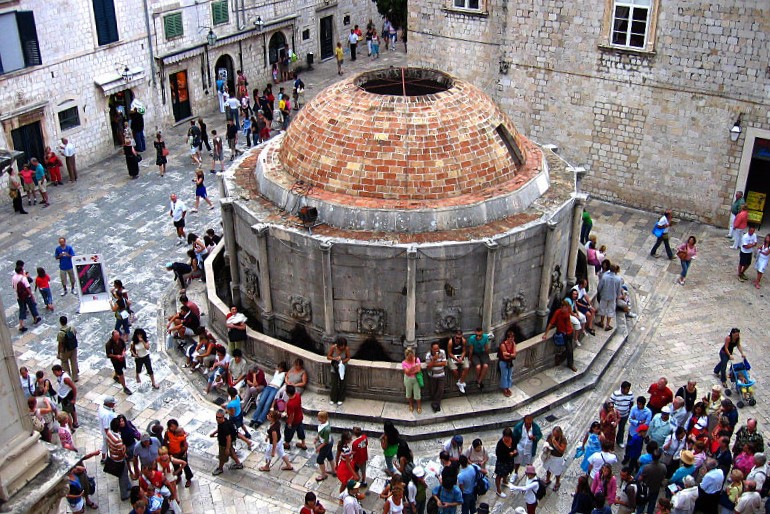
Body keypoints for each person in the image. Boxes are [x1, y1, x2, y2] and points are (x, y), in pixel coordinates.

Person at [542, 300, 577, 371]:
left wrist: (575, 315)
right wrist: (546, 334)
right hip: (563, 333)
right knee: (569, 349)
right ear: (562, 307)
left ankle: (562, 358)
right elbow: (551, 323)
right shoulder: (558, 312)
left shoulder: (568, 310)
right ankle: (569, 363)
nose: (566, 309)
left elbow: (571, 314)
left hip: (569, 332)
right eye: (565, 308)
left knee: (570, 348)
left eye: (567, 308)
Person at [210, 408, 243, 475]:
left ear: (223, 417)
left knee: (222, 457)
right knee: (232, 453)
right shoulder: (223, 422)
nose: (217, 419)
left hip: (224, 444)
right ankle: (238, 464)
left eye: (219, 417)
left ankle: (220, 468)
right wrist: (214, 433)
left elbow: (228, 438)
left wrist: (227, 449)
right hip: (227, 443)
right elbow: (219, 429)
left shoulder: (225, 426)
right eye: (216, 417)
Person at [164, 419, 194, 488]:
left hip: (181, 453)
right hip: (172, 453)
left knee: (185, 466)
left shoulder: (180, 432)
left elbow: (184, 443)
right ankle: (179, 476)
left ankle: (188, 479)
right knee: (175, 466)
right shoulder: (167, 433)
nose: (172, 428)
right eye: (171, 427)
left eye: (174, 426)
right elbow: (166, 441)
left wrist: (182, 451)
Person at [13, 263, 41, 332]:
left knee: (22, 310)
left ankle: (21, 325)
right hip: (26, 296)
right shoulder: (23, 278)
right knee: (32, 306)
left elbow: (13, 286)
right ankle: (35, 318)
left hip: (19, 296)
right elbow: (28, 288)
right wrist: (32, 295)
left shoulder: (13, 277)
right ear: (21, 271)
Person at [106, 329, 133, 395]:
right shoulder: (109, 344)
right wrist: (116, 356)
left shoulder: (120, 340)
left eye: (118, 336)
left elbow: (124, 347)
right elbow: (108, 354)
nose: (118, 337)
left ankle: (115, 376)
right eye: (116, 336)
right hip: (115, 360)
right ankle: (124, 387)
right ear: (113, 336)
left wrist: (123, 352)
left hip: (121, 358)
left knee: (120, 369)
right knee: (121, 373)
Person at [328, 336, 351, 405]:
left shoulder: (346, 349)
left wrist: (342, 361)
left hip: (342, 367)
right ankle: (333, 398)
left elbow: (348, 358)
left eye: (344, 346)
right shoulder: (333, 348)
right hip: (334, 367)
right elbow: (328, 357)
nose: (342, 348)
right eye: (341, 346)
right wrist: (335, 358)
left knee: (342, 383)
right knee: (334, 383)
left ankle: (341, 398)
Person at [425, 341, 447, 412]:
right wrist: (434, 359)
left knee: (440, 389)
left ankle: (435, 404)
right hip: (432, 375)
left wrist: (434, 364)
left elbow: (444, 363)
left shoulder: (442, 352)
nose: (436, 350)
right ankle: (436, 404)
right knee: (433, 390)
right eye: (435, 349)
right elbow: (428, 367)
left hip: (441, 374)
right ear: (431, 349)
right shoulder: (428, 355)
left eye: (437, 348)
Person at [314, 411, 336, 481]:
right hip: (328, 442)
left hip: (326, 444)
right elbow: (320, 433)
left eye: (319, 417)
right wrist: (316, 437)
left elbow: (326, 441)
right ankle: (333, 470)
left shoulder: (326, 429)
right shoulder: (323, 424)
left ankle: (323, 475)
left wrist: (319, 448)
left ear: (323, 418)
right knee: (330, 456)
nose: (317, 418)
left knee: (320, 459)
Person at [611, 381, 634, 448]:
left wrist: (628, 410)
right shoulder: (615, 394)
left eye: (629, 389)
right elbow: (611, 403)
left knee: (621, 429)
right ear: (622, 388)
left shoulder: (630, 394)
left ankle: (619, 441)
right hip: (615, 416)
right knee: (612, 429)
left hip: (624, 415)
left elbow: (631, 403)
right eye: (627, 389)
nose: (628, 390)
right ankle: (611, 442)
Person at [544, 426, 567, 491]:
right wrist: (547, 445)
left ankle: (557, 482)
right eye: (554, 434)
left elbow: (562, 450)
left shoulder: (563, 439)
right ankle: (547, 479)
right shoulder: (550, 435)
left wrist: (555, 443)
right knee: (548, 468)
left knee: (557, 471)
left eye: (556, 435)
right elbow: (547, 441)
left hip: (557, 457)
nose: (554, 436)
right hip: (550, 455)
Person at [57, 316, 79, 382]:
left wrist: (59, 353)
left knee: (64, 363)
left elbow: (60, 344)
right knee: (74, 362)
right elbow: (75, 334)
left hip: (65, 350)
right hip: (73, 348)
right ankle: (75, 377)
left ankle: (68, 377)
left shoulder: (60, 333)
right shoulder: (72, 328)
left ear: (60, 322)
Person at [402, 348, 422, 414]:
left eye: (412, 357)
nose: (411, 358)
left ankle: (419, 406)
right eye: (409, 357)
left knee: (417, 393)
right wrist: (412, 369)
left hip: (416, 379)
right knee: (409, 393)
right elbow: (407, 372)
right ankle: (410, 404)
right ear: (406, 356)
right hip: (408, 379)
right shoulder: (404, 362)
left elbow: (418, 370)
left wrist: (410, 370)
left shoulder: (417, 359)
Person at [497, 330, 517, 397]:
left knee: (509, 375)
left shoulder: (513, 344)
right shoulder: (503, 344)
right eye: (510, 338)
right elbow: (505, 357)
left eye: (512, 338)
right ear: (507, 338)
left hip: (510, 362)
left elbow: (514, 355)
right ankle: (504, 389)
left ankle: (508, 387)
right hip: (503, 362)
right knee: (504, 375)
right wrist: (511, 355)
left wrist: (509, 354)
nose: (511, 339)